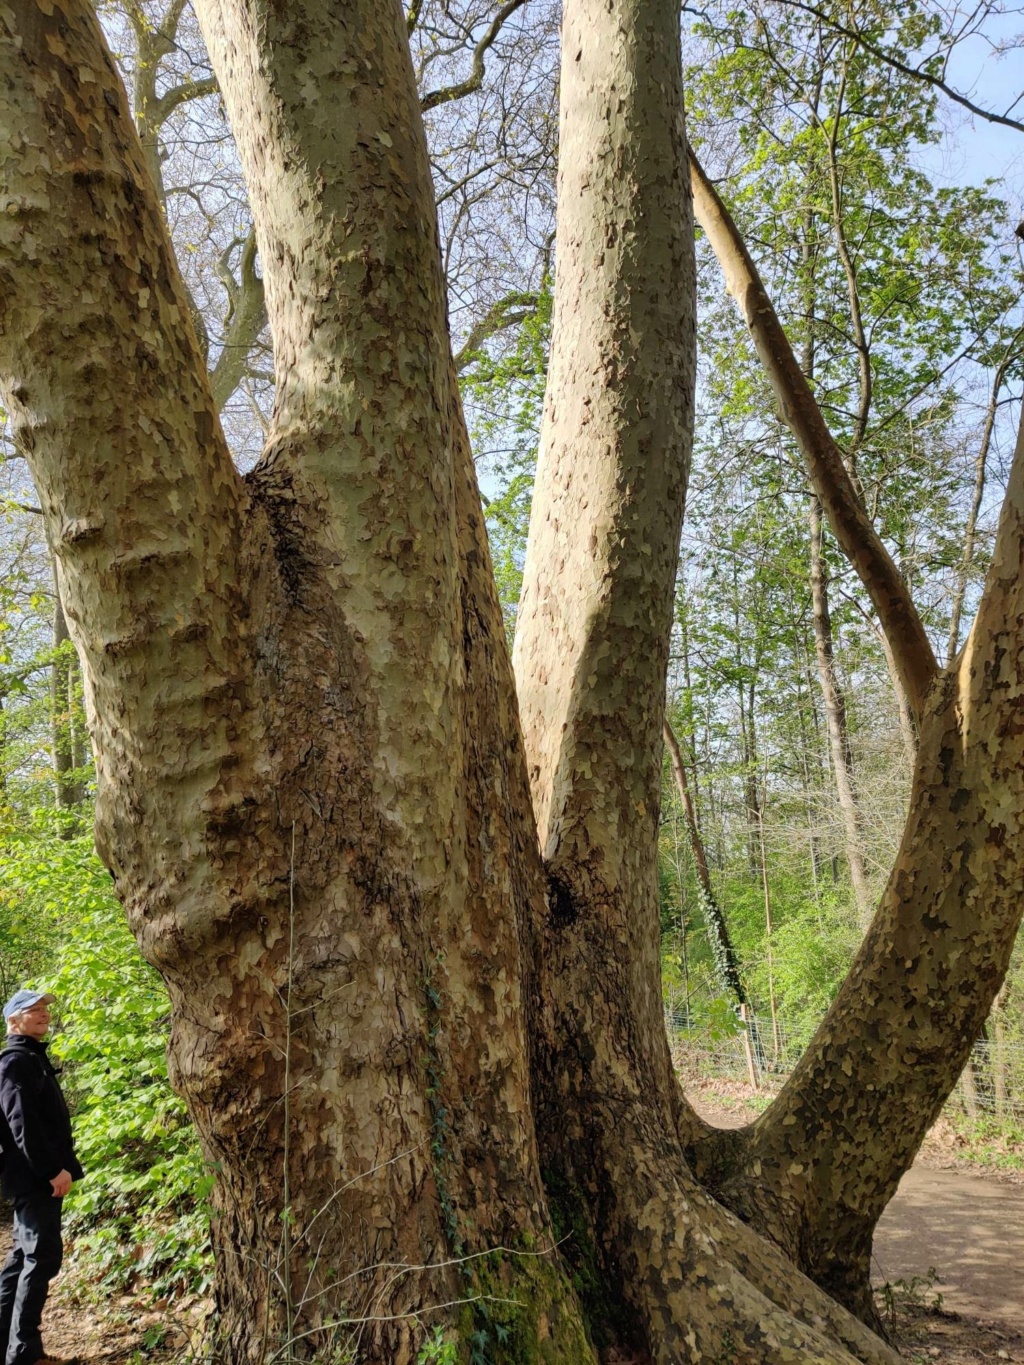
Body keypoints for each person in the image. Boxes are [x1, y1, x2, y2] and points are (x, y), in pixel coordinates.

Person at [0, 991, 83, 1365]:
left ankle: (8, 1344)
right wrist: (52, 1171)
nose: (43, 1014)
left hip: (33, 1177)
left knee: (23, 1258)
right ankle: (23, 1353)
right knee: (40, 1258)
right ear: (13, 1020)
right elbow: (23, 1124)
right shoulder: (16, 1062)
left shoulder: (29, 1058)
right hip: (37, 1179)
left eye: (45, 1008)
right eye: (34, 1010)